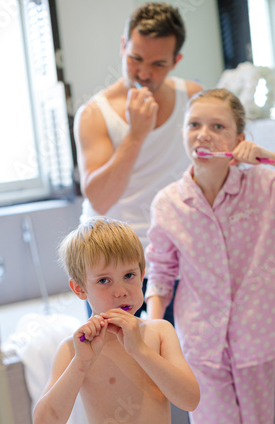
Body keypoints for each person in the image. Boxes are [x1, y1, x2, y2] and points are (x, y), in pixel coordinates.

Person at [145, 88, 275, 424]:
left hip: (256, 340)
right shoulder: (169, 203)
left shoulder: (264, 184)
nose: (204, 135)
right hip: (202, 347)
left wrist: (268, 158)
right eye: (194, 124)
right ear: (183, 132)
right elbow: (159, 272)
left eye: (218, 127)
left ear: (238, 137)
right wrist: (155, 327)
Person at [33, 217, 200, 424]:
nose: (121, 290)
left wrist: (140, 351)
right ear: (80, 289)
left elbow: (190, 400)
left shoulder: (159, 333)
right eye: (104, 280)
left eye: (129, 275)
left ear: (142, 273)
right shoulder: (74, 350)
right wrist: (81, 364)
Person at [74, 2, 203, 322]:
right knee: (119, 368)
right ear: (123, 46)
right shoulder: (94, 114)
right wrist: (135, 135)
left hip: (178, 258)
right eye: (135, 59)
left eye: (158, 64)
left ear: (176, 61)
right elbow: (100, 198)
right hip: (114, 266)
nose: (144, 73)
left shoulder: (194, 98)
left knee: (184, 363)